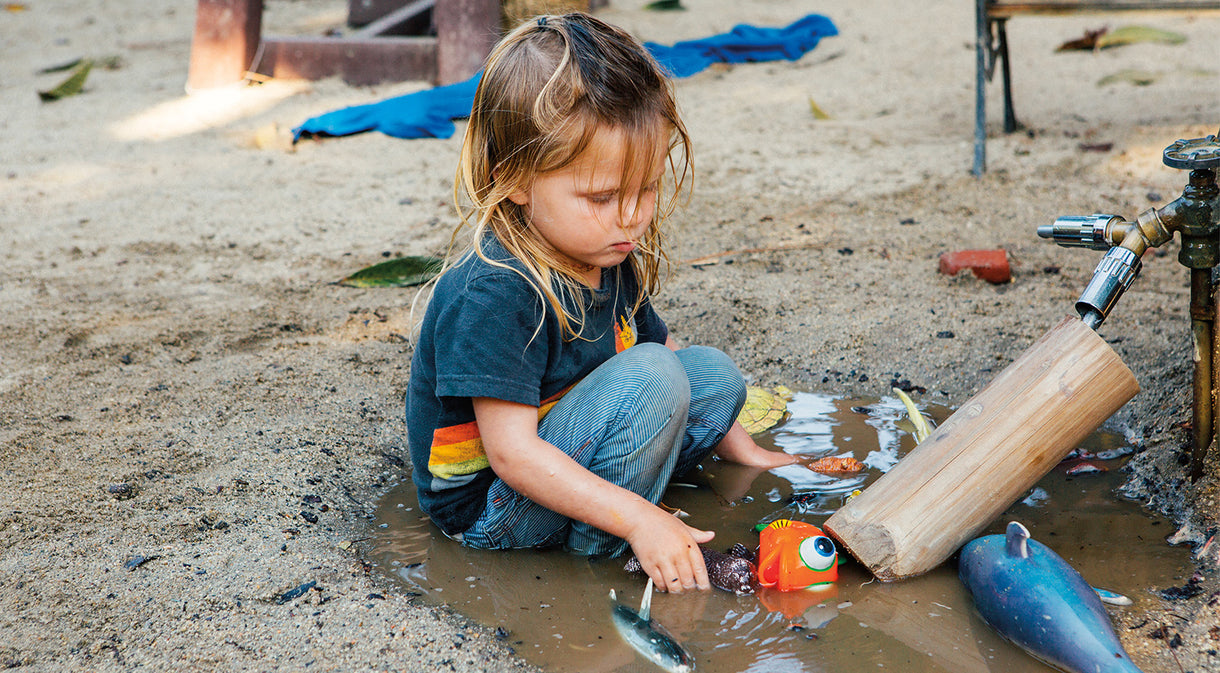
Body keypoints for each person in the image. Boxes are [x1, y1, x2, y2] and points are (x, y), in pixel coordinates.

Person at [406, 12, 800, 595]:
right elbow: (513, 456)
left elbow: (662, 345)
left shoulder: (605, 247)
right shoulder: (495, 290)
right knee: (653, 376)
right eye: (602, 196)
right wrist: (639, 520)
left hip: (567, 445)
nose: (632, 216)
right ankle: (603, 550)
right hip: (494, 506)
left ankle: (624, 509)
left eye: (646, 188)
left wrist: (747, 452)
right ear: (513, 178)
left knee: (713, 376)